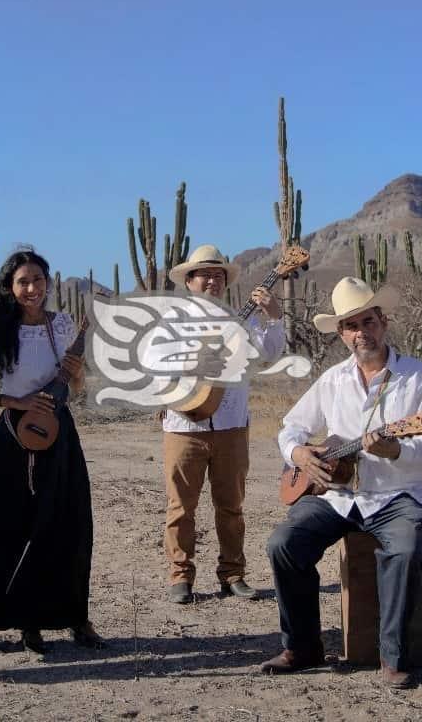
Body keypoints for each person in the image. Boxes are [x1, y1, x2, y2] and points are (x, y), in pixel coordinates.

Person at [262, 277, 422, 689]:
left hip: (396, 495)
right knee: (284, 545)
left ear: (383, 321)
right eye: (351, 325)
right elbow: (290, 428)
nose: (361, 332)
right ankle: (303, 647)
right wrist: (299, 455)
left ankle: (392, 656)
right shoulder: (332, 380)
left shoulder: (416, 376)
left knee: (403, 550)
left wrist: (395, 451)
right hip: (337, 495)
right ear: (342, 333)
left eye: (368, 321)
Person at [0, 248, 105, 653]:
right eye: (22, 281)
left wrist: (77, 379)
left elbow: (77, 390)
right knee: (18, 527)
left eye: (38, 280)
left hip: (60, 434)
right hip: (14, 437)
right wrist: (15, 401)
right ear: (10, 287)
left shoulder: (63, 325)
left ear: (48, 284)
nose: (31, 288)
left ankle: (77, 617)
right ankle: (28, 622)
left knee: (70, 525)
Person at [158, 245, 286, 604]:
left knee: (231, 506)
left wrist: (274, 318)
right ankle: (180, 576)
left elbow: (268, 354)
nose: (212, 281)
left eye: (219, 275)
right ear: (190, 281)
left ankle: (232, 574)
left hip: (231, 423)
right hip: (183, 425)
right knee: (181, 506)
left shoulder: (242, 319)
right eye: (205, 275)